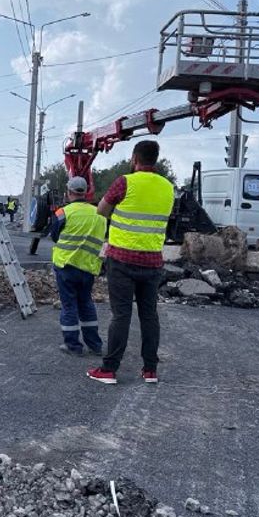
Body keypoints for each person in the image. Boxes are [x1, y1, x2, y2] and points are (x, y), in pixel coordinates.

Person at [87, 140, 174, 385]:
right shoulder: (168, 187)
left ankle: (109, 370)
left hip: (122, 260)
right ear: (155, 159)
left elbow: (101, 210)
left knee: (121, 315)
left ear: (135, 158)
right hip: (153, 261)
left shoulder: (125, 182)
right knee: (149, 315)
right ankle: (150, 370)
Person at [50, 177, 107, 356]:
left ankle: (73, 346)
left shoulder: (63, 213)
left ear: (69, 192)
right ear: (86, 191)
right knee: (86, 303)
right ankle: (95, 345)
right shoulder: (100, 214)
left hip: (66, 266)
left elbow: (54, 236)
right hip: (88, 267)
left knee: (69, 306)